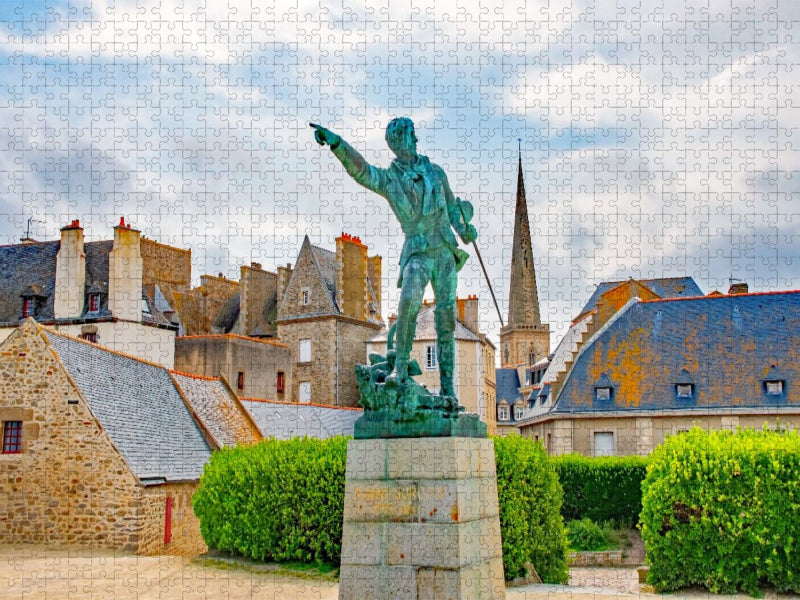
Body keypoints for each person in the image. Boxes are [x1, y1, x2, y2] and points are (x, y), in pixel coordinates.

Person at [311, 118, 477, 398]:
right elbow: (362, 171)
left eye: (412, 135)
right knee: (409, 300)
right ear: (398, 142)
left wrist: (464, 231)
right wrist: (336, 143)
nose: (415, 140)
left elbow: (452, 209)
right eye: (410, 136)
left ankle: (448, 387)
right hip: (417, 250)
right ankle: (400, 366)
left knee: (446, 317)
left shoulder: (437, 173)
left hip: (443, 251)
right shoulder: (390, 180)